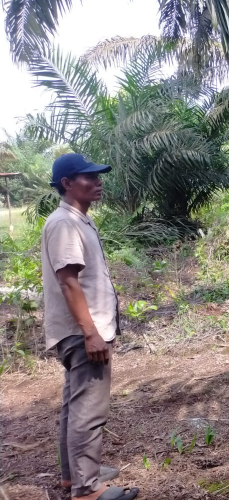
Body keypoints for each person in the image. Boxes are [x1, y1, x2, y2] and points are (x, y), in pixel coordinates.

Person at [42, 154, 139, 500]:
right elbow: (69, 282)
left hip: (82, 331)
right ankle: (87, 490)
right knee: (88, 411)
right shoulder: (64, 224)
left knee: (75, 407)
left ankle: (73, 478)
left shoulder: (78, 220)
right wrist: (91, 332)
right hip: (83, 333)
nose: (98, 182)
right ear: (67, 184)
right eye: (88, 177)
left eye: (98, 176)